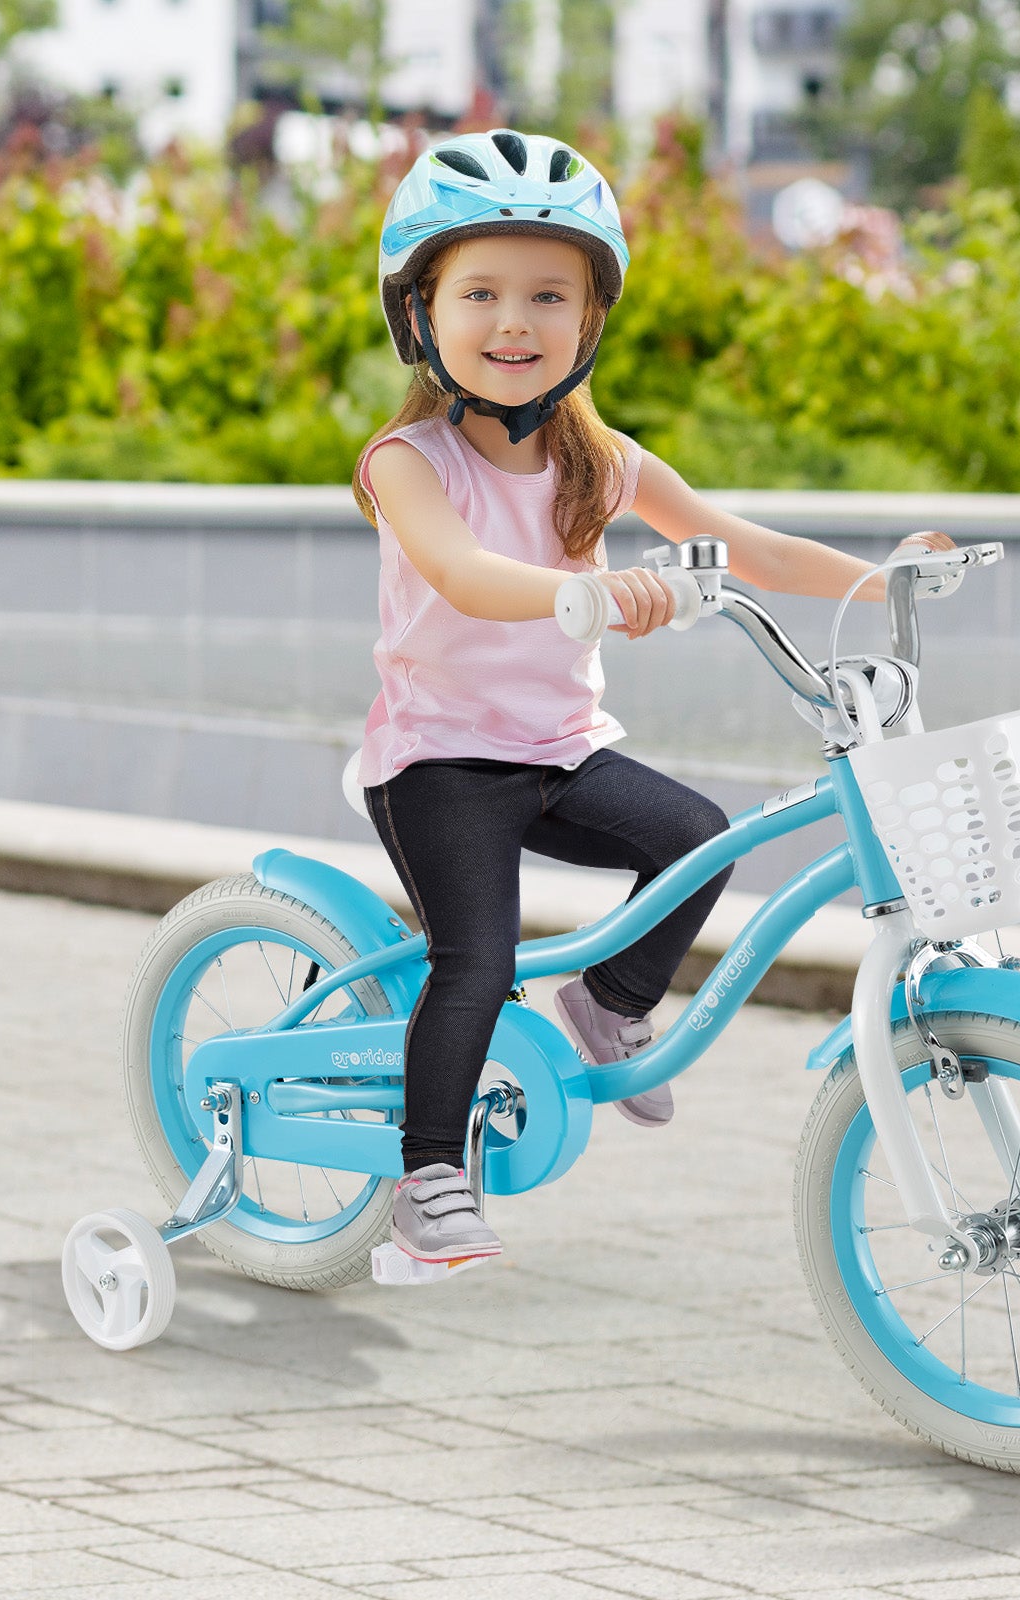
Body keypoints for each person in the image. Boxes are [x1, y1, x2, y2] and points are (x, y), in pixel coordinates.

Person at [351, 129, 953, 1265]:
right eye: (479, 292)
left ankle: (605, 1002)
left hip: (558, 747)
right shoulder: (408, 461)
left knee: (697, 837)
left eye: (548, 294)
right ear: (420, 313)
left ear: (589, 320)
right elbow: (464, 576)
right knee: (474, 957)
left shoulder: (601, 460)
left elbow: (746, 548)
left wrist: (880, 579)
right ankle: (427, 1173)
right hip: (438, 758)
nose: (514, 321)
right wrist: (591, 594)